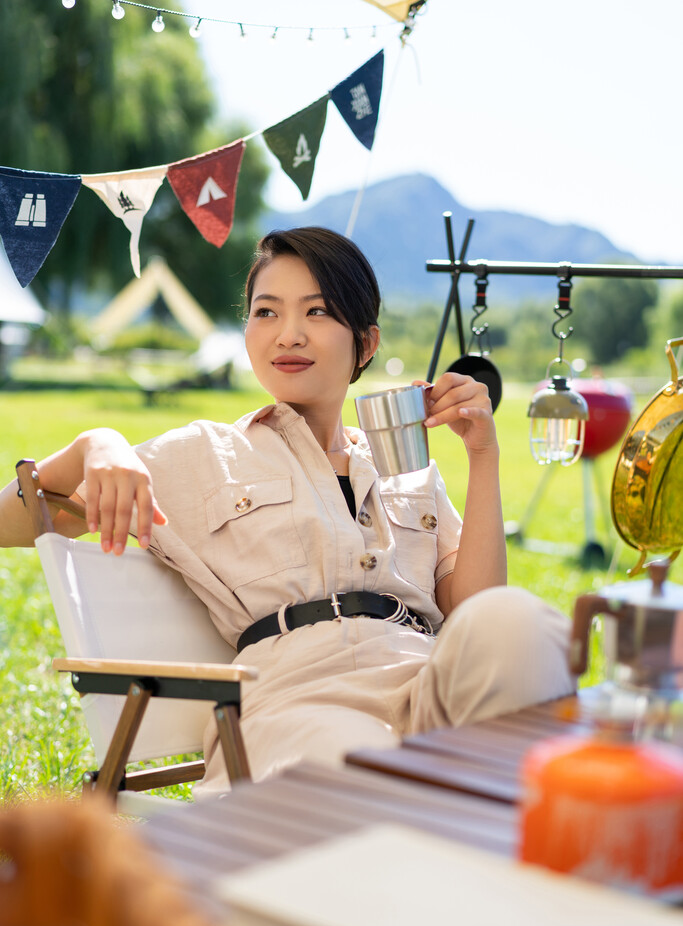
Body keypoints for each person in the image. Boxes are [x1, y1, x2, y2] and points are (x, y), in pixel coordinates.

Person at [0, 227, 573, 796]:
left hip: (427, 687)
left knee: (520, 622)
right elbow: (17, 520)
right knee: (358, 760)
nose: (288, 335)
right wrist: (93, 446)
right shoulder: (203, 454)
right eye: (266, 312)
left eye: (318, 312)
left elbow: (476, 612)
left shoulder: (409, 469)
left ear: (365, 344)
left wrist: (484, 454)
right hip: (299, 701)